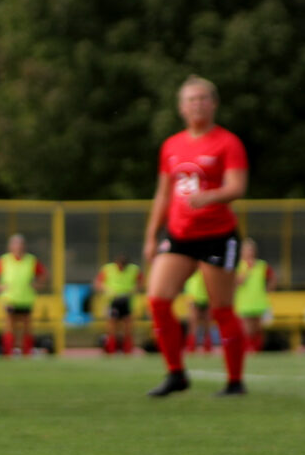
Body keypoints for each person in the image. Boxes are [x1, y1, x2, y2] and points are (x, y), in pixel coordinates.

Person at [139, 76, 251, 398]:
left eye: (203, 98)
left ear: (214, 103)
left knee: (221, 309)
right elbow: (163, 195)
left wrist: (210, 196)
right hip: (180, 235)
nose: (197, 104)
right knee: (158, 300)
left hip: (217, 235)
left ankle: (234, 381)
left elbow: (237, 187)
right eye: (191, 99)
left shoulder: (227, 143)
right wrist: (151, 236)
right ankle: (176, 373)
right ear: (181, 107)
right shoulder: (172, 145)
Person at [0, 234, 40, 358]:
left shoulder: (31, 260)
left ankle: (27, 353)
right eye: (15, 244)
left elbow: (43, 274)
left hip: (26, 298)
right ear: (10, 246)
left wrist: (37, 285)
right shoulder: (5, 260)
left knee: (27, 327)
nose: (18, 247)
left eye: (20, 244)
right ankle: (8, 354)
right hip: (10, 299)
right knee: (9, 326)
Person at [96, 250, 141, 355]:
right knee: (111, 324)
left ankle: (127, 349)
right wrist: (107, 290)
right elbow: (98, 283)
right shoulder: (108, 269)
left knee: (128, 325)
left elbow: (140, 283)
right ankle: (111, 348)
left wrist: (133, 290)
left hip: (127, 300)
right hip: (112, 301)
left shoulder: (133, 270)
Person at [232, 239, 274, 352]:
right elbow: (235, 282)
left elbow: (271, 279)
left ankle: (257, 349)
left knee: (258, 328)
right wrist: (244, 274)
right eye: (246, 249)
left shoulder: (261, 265)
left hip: (258, 301)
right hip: (244, 302)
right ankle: (248, 349)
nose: (249, 252)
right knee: (247, 329)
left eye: (251, 249)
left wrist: (268, 289)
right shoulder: (238, 266)